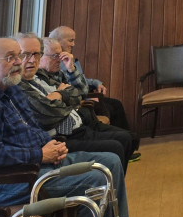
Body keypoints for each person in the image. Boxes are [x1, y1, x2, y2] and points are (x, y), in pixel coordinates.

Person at [0, 38, 129, 217]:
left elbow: (32, 128)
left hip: (28, 168)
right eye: (10, 58)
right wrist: (40, 154)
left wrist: (53, 146)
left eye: (18, 56)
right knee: (97, 179)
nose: (18, 62)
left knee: (111, 161)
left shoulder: (10, 90)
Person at [17, 34, 136, 170]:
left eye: (36, 54)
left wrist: (59, 93)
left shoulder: (42, 77)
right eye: (25, 55)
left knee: (127, 137)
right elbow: (49, 113)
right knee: (118, 145)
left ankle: (112, 181)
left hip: (77, 124)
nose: (33, 60)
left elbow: (79, 93)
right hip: (62, 137)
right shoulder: (24, 83)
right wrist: (64, 99)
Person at [48, 25, 131, 131]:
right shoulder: (56, 64)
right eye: (70, 40)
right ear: (57, 40)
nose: (73, 44)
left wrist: (96, 83)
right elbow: (73, 87)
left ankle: (123, 136)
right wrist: (87, 95)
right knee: (112, 106)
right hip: (76, 102)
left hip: (84, 95)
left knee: (116, 104)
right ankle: (119, 136)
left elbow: (81, 80)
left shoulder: (70, 59)